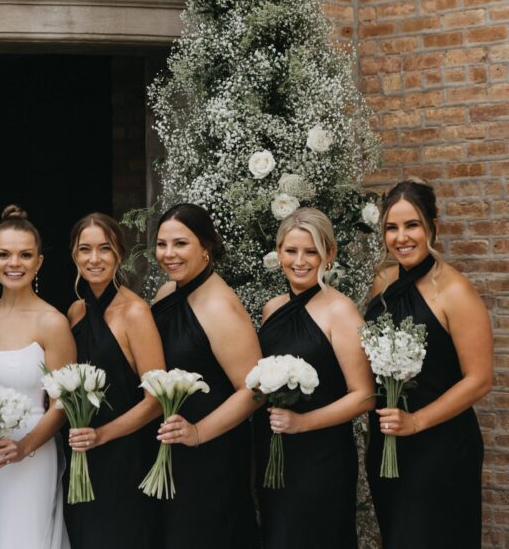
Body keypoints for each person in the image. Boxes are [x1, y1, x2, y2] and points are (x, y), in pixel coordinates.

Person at [365, 180, 491, 548]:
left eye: (412, 225)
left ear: (434, 227)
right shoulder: (382, 283)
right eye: (392, 227)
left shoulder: (456, 292)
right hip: (389, 445)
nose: (401, 237)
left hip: (441, 447)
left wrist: (417, 421)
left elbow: (480, 380)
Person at [254, 207, 373, 548]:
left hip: (321, 457)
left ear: (329, 255)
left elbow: (363, 394)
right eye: (291, 251)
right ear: (279, 253)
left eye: (312, 252)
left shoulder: (341, 311)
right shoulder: (271, 309)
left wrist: (302, 423)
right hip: (273, 452)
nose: (300, 261)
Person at [149, 203, 259, 548]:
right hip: (169, 445)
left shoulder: (219, 306)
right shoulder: (167, 293)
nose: (169, 254)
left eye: (180, 244)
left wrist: (198, 432)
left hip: (211, 453)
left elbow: (254, 390)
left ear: (206, 247)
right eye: (162, 244)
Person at [0, 205, 75, 549]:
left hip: (32, 453)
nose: (14, 264)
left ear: (39, 262)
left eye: (25, 255)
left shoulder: (52, 322)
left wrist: (24, 446)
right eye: (4, 255)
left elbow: (64, 403)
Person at [64, 213, 163, 549]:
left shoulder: (135, 313)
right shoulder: (75, 312)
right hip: (81, 452)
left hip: (124, 453)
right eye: (85, 249)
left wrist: (102, 435)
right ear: (75, 255)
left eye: (104, 249)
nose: (94, 258)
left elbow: (155, 400)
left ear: (119, 254)